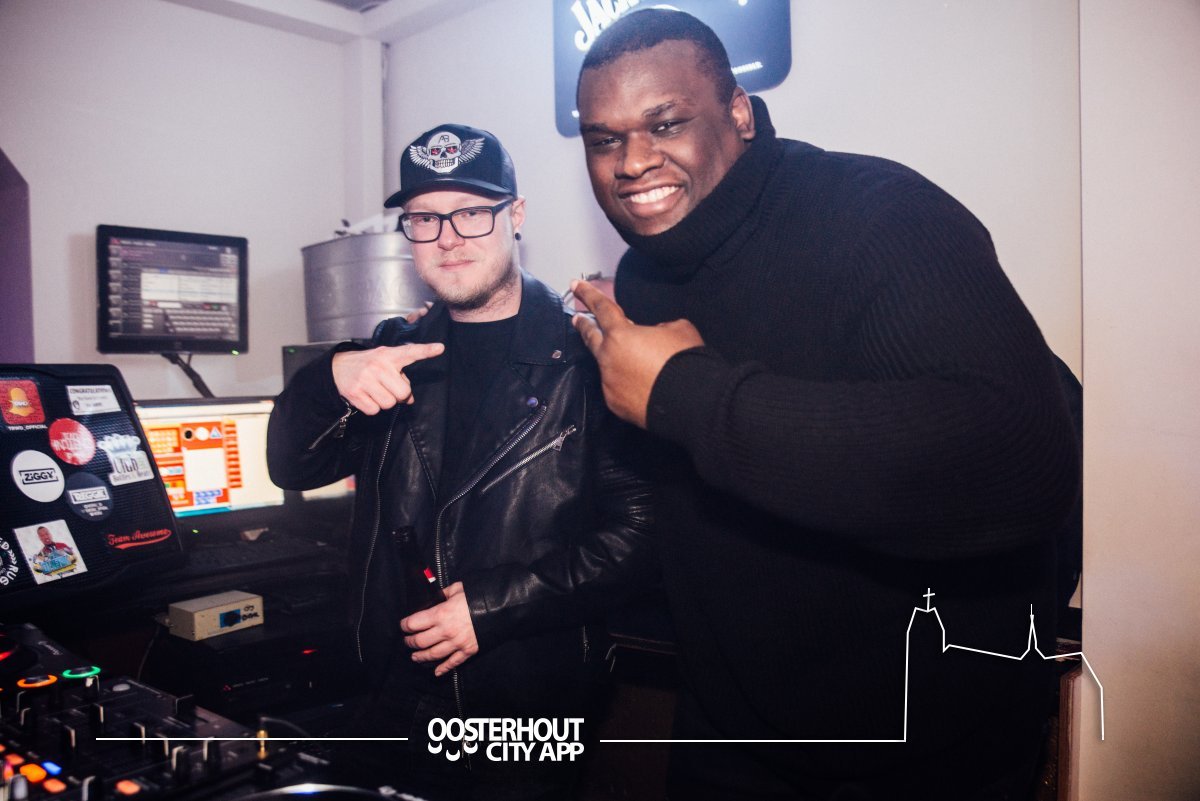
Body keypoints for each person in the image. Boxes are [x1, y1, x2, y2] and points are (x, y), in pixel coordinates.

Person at [570, 9, 1081, 801]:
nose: (633, 161)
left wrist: (685, 392)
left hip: (920, 758)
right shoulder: (641, 278)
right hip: (730, 737)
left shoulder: (879, 215)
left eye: (665, 124)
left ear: (739, 113)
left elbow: (1020, 457)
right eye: (605, 140)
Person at [267, 123, 654, 800]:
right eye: (424, 218)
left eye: (471, 212)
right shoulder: (394, 349)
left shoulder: (586, 355)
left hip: (526, 700)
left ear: (516, 215)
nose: (447, 237)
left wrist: (492, 607)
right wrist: (330, 377)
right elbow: (291, 468)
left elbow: (640, 535)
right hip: (391, 693)